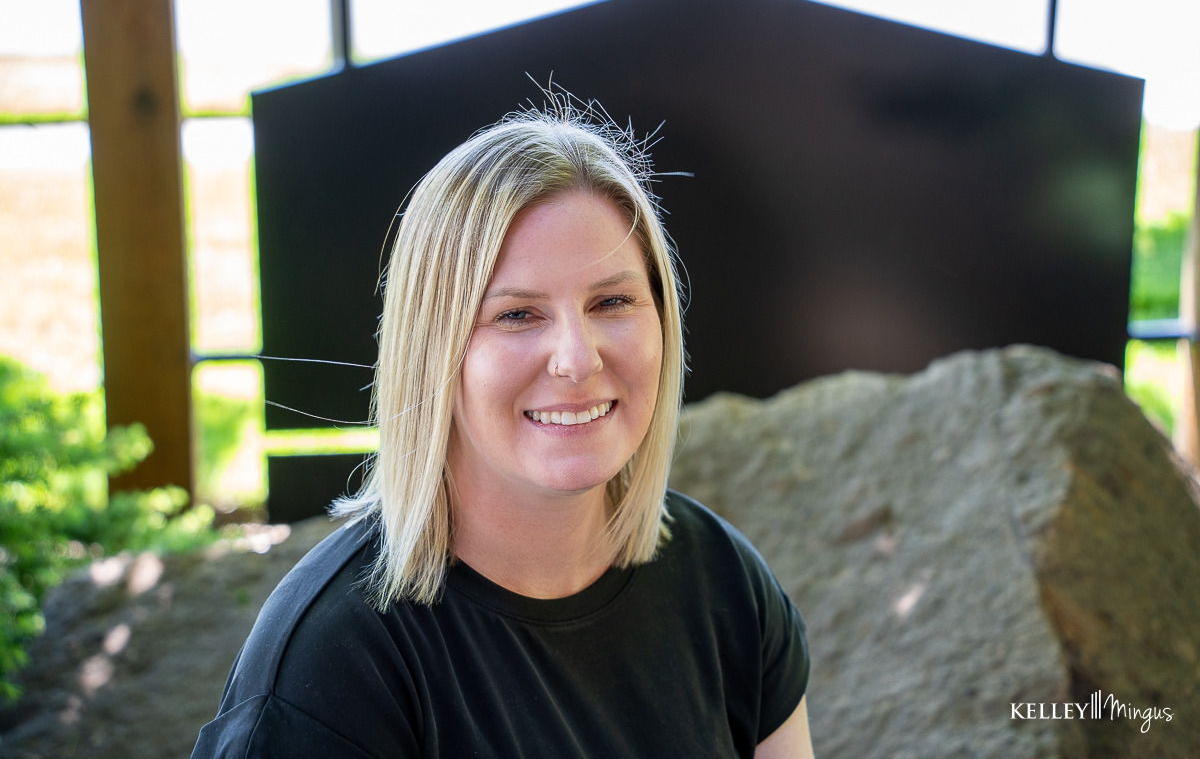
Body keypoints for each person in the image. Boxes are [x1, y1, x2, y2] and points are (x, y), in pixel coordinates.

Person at [192, 98, 814, 758]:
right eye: (517, 315)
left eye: (612, 302)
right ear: (433, 350)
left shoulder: (723, 583)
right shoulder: (332, 669)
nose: (577, 358)